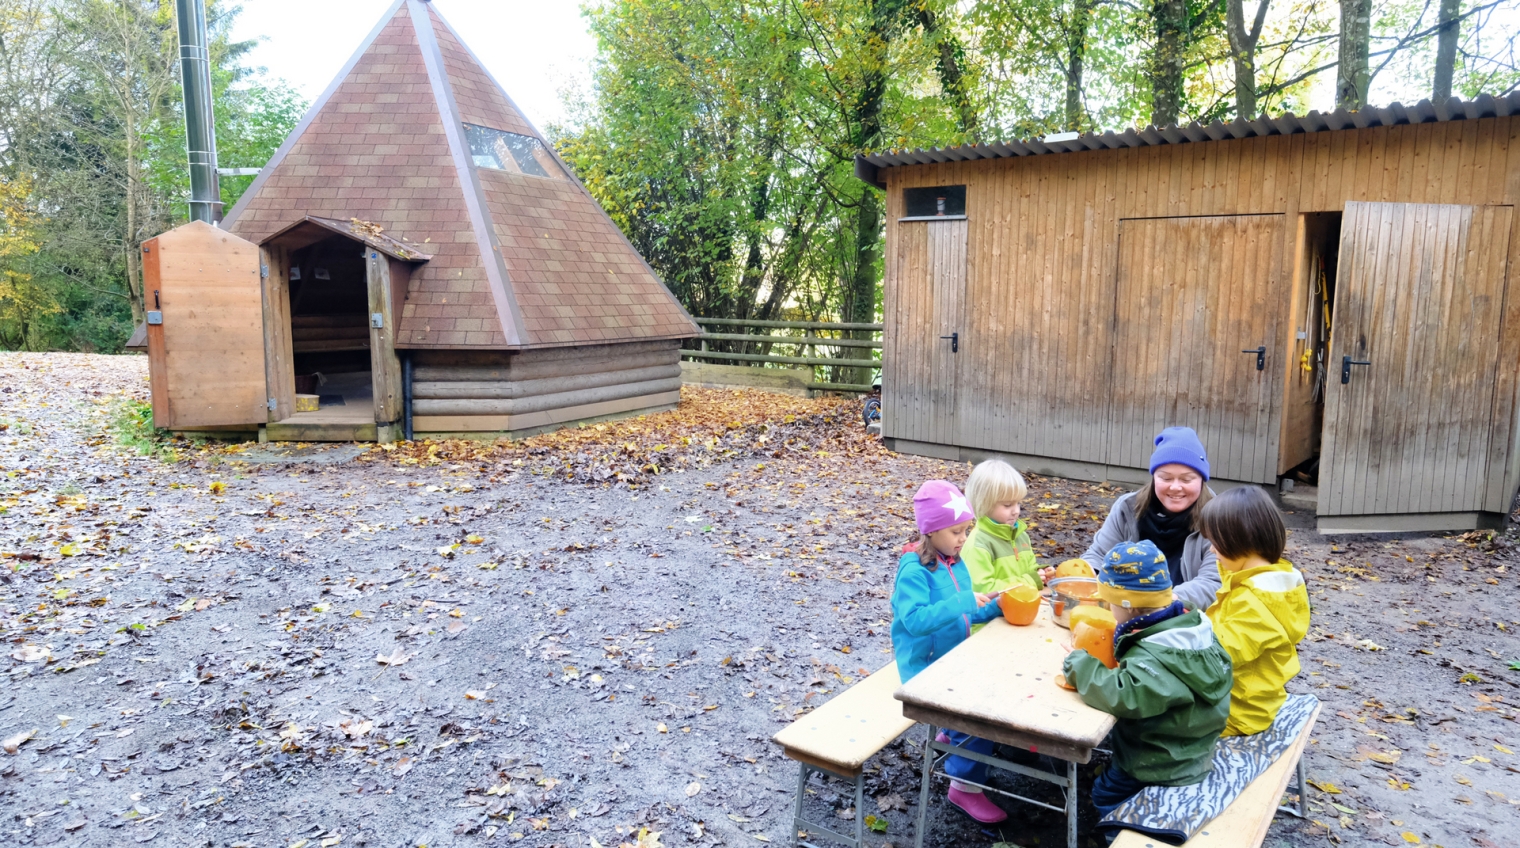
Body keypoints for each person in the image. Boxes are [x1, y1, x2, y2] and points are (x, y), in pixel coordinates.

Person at [1063, 540, 1233, 820]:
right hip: (1195, 744)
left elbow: (1122, 695)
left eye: (1109, 603)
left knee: (1105, 793)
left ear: (1129, 606)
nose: (1107, 608)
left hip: (1159, 759)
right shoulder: (1191, 625)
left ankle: (1124, 831)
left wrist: (1079, 664)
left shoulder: (1152, 656)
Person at [890, 480, 1007, 823]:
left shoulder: (954, 561)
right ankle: (964, 787)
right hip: (924, 669)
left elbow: (964, 611)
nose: (963, 538)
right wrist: (964, 602)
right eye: (956, 531)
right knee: (977, 716)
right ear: (931, 529)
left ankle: (952, 737)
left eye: (966, 530)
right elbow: (914, 621)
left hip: (953, 660)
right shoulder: (914, 570)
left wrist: (997, 606)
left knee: (997, 689)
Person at [1198, 486, 1310, 736]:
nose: (1211, 550)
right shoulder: (1262, 582)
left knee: (1149, 716)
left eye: (1215, 541)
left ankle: (1123, 775)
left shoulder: (1256, 601)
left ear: (1239, 538)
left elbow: (1217, 654)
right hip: (1236, 697)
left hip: (1234, 710)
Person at [1082, 426, 1220, 610]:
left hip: (1187, 619)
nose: (1175, 487)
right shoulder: (1127, 508)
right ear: (1154, 477)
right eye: (1166, 478)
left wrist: (1164, 601)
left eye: (1187, 480)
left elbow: (1213, 582)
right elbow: (1098, 555)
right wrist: (1083, 574)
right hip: (1125, 610)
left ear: (1202, 480)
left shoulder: (1219, 518)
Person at [961, 459, 1044, 615]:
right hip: (987, 626)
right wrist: (1029, 581)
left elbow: (1030, 569)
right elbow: (983, 591)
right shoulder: (978, 545)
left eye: (1018, 503)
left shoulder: (1021, 536)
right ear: (984, 504)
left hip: (1018, 612)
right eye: (1007, 505)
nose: (1016, 511)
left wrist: (1041, 573)